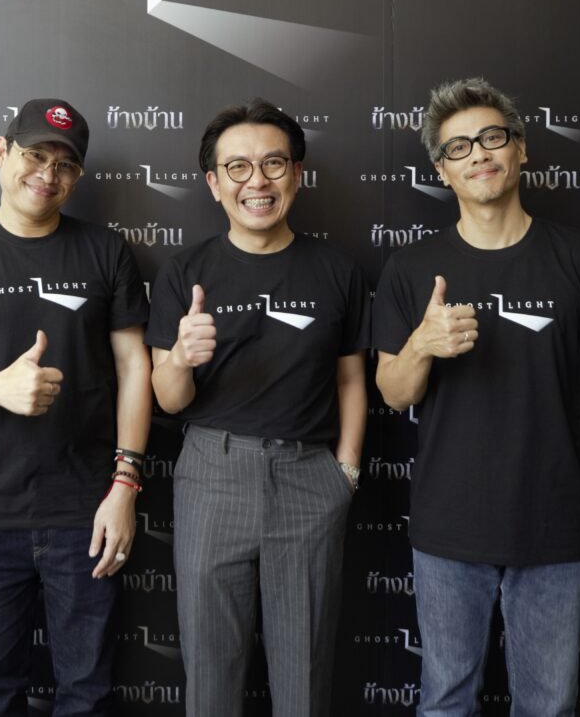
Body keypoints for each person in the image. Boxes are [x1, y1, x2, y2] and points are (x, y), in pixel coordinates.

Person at [373, 77, 580, 716]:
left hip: (553, 521)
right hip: (449, 524)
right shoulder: (411, 269)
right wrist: (422, 345)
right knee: (445, 702)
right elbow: (392, 391)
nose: (479, 154)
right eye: (459, 147)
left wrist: (553, 421)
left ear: (520, 149)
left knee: (548, 705)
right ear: (442, 170)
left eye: (493, 137)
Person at [0, 98, 151, 717]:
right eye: (35, 155)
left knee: (88, 695)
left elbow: (135, 368)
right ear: (1, 152)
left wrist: (124, 486)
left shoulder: (106, 250)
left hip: (86, 515)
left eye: (65, 164)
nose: (48, 173)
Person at [145, 99, 369, 717]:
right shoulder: (186, 271)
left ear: (297, 173)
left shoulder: (336, 271)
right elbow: (168, 398)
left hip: (309, 478)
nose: (257, 182)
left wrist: (345, 472)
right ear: (214, 183)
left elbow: (352, 379)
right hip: (211, 475)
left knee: (304, 676)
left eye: (273, 164)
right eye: (237, 168)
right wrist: (181, 358)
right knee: (211, 674)